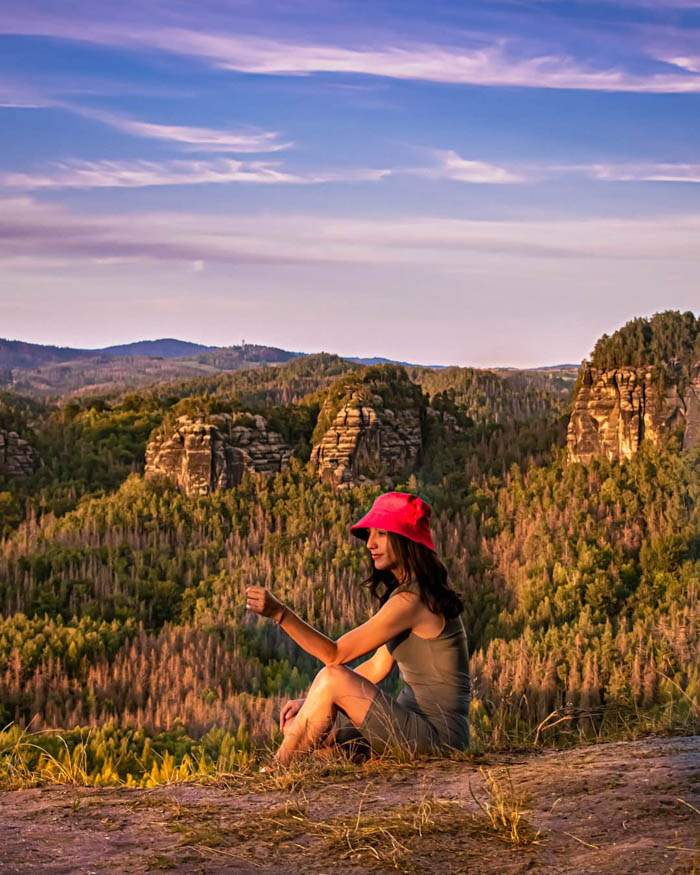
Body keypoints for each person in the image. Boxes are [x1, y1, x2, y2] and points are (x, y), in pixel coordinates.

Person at [245, 491, 470, 766]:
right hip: (418, 728)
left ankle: (274, 771)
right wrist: (311, 701)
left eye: (382, 534)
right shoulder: (414, 595)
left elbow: (335, 655)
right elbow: (377, 667)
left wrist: (280, 613)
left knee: (331, 678)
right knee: (318, 734)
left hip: (438, 740)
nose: (370, 544)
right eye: (369, 535)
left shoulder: (412, 601)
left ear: (405, 539)